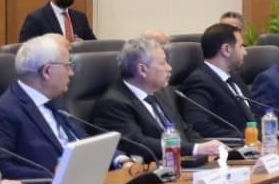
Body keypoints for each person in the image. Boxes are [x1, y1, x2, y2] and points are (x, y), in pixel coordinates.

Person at [0, 35, 149, 180]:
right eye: (67, 66)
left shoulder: (54, 100)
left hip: (85, 183)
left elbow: (83, 141)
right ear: (47, 71)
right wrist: (57, 176)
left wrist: (121, 160)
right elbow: (2, 166)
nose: (71, 73)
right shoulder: (6, 110)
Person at [90, 38, 218, 165]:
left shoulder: (162, 92)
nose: (169, 68)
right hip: (153, 168)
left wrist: (209, 146)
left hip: (183, 163)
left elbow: (185, 130)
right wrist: (195, 149)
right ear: (142, 70)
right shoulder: (113, 103)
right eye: (163, 63)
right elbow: (137, 143)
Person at [179, 23, 255, 141]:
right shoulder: (199, 81)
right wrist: (243, 137)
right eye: (241, 46)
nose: (245, 52)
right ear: (226, 49)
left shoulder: (234, 78)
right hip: (231, 147)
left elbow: (253, 114)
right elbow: (199, 125)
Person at [18, 0, 96, 43]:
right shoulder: (36, 18)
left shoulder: (80, 17)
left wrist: (83, 44)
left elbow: (94, 46)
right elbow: (26, 49)